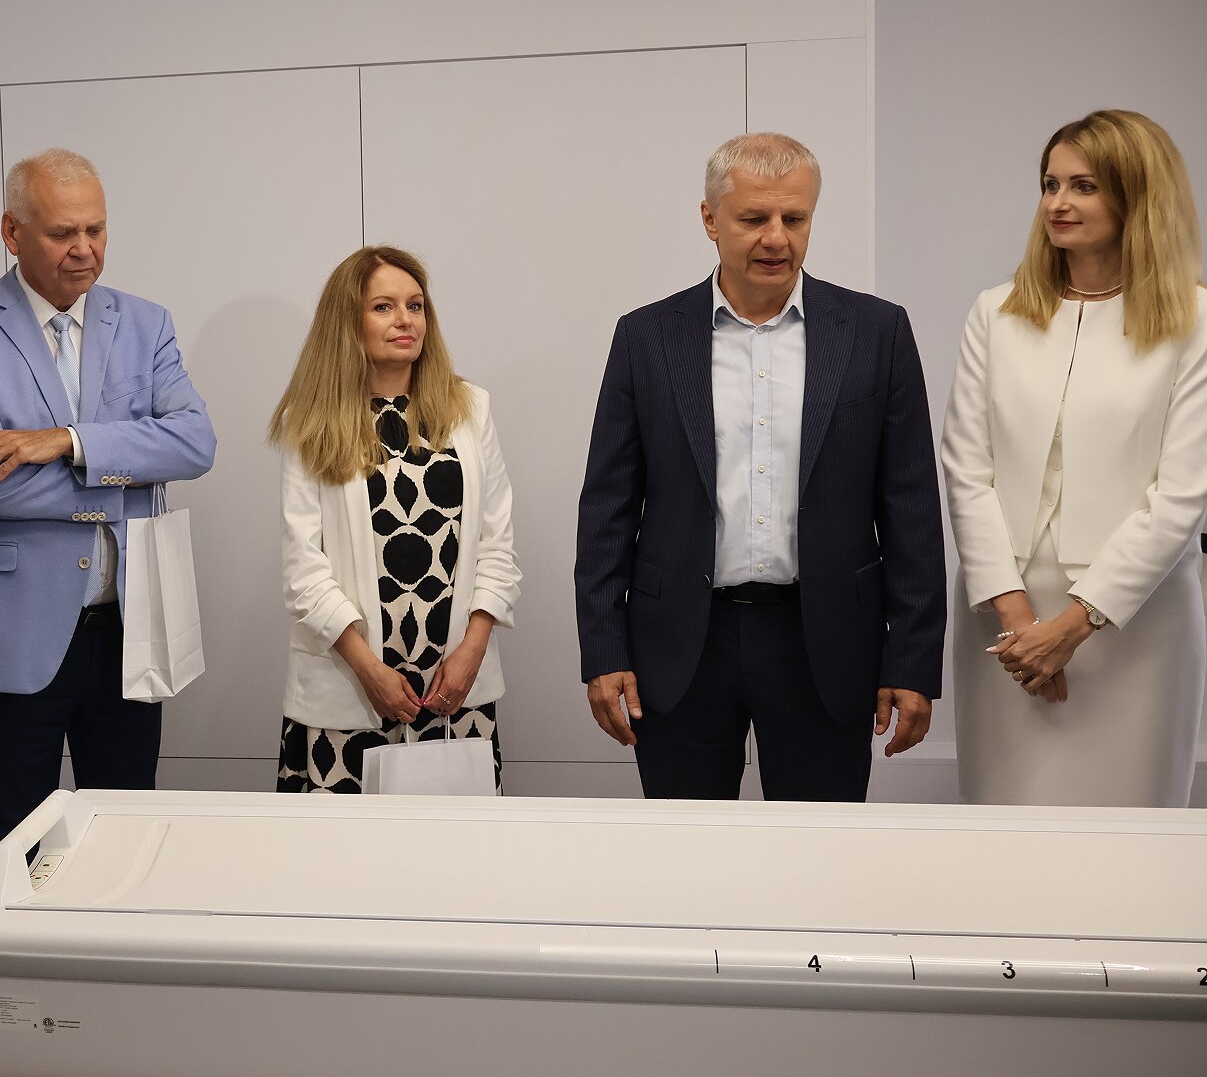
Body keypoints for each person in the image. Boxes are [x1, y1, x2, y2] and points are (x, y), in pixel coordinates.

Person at [576, 132, 945, 801]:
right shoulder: (646, 337)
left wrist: (913, 661)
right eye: (753, 218)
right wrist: (603, 651)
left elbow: (911, 508)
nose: (776, 238)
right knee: (687, 849)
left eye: (794, 218)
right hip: (681, 643)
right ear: (709, 219)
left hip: (825, 642)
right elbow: (607, 509)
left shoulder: (875, 332)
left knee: (817, 851)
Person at [0, 148, 216, 861]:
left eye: (96, 229)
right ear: (12, 232)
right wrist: (127, 474)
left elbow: (194, 443)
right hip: (12, 632)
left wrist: (66, 442)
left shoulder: (146, 323)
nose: (84, 249)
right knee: (14, 847)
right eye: (62, 233)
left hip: (128, 629)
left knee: (125, 840)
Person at [942, 109, 1207, 807]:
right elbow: (965, 471)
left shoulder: (1196, 321)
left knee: (1131, 831)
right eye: (1049, 184)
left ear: (1136, 195)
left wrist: (1073, 626)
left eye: (1083, 186)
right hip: (1004, 617)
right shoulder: (995, 312)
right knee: (1006, 822)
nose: (1057, 202)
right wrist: (1020, 625)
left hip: (1136, 622)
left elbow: (1181, 496)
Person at [270, 246, 520, 792]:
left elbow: (497, 545)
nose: (405, 319)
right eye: (383, 306)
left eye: (415, 305)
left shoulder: (470, 409)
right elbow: (303, 571)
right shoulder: (308, 421)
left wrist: (472, 651)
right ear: (348, 322)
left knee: (453, 845)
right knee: (346, 846)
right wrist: (370, 671)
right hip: (350, 691)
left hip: (454, 691)